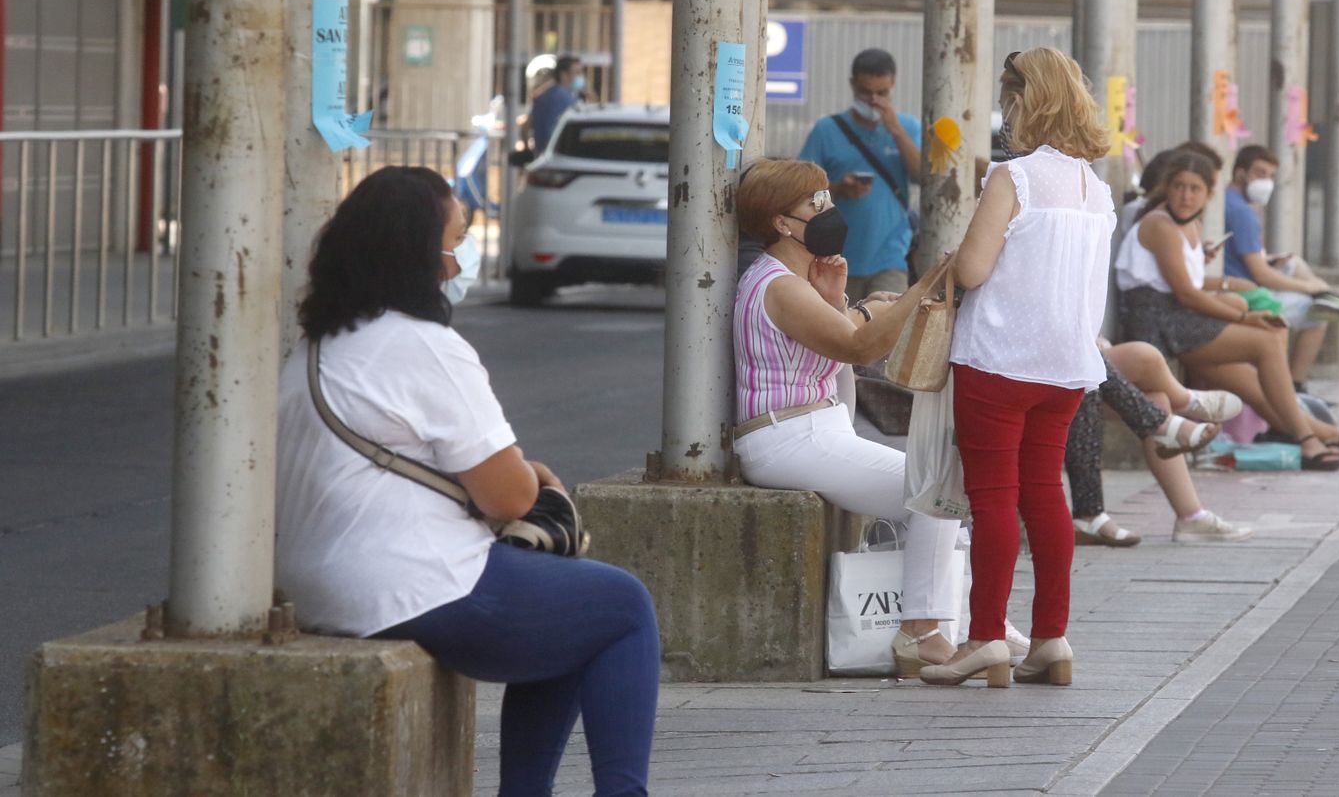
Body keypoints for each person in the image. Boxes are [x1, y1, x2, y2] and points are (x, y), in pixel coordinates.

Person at [275, 166, 659, 797]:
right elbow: (509, 497)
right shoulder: (423, 345)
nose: (462, 252)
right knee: (621, 606)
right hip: (404, 584)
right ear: (418, 251)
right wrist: (536, 476)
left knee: (568, 613)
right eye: (456, 235)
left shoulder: (315, 347)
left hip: (316, 585)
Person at [733, 159, 1015, 678]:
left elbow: (837, 352)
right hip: (788, 436)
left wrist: (840, 300)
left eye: (827, 197)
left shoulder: (797, 281)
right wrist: (924, 284)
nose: (830, 210)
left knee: (942, 497)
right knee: (933, 491)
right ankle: (922, 632)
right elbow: (860, 347)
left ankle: (983, 629)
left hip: (810, 430)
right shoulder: (778, 285)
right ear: (779, 222)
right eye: (815, 203)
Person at [927, 47, 1114, 689]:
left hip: (998, 360)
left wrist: (955, 256)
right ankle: (1051, 640)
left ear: (1019, 99)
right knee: (1044, 496)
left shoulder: (1016, 178)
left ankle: (984, 638)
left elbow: (975, 271)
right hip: (1065, 367)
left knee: (994, 500)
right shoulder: (1097, 189)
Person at [1116, 152, 1339, 470]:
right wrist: (1244, 317)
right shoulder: (1159, 223)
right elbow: (1186, 294)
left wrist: (1231, 286)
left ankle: (1330, 435)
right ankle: (1307, 439)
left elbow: (1192, 282)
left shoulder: (1189, 223)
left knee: (1254, 385)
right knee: (1267, 340)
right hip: (1158, 323)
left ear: (1208, 194)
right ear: (1167, 187)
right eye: (1178, 187)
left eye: (1194, 189)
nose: (1186, 196)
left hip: (1177, 319)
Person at [1067, 341, 1252, 547]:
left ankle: (1192, 516)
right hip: (1051, 359)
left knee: (1157, 397)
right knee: (1142, 356)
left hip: (1075, 355)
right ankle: (1184, 406)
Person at [1223, 144, 1339, 390]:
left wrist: (1274, 262)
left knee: (1292, 261)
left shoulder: (1228, 202)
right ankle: (1295, 385)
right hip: (1245, 291)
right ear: (1240, 173)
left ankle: (1326, 295)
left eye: (1271, 176)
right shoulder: (1242, 212)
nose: (1267, 182)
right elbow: (1261, 274)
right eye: (1260, 174)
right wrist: (1306, 287)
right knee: (1317, 316)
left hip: (1240, 279)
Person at [797, 48, 921, 301]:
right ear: (853, 85)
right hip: (834, 256)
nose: (874, 100)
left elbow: (923, 177)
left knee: (886, 331)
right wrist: (839, 190)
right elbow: (802, 196)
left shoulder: (908, 127)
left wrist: (895, 130)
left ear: (893, 85)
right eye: (866, 92)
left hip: (890, 257)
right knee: (838, 333)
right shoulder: (826, 131)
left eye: (882, 93)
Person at [530, 55, 586, 155]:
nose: (581, 76)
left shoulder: (547, 95)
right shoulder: (561, 98)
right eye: (577, 72)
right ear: (563, 75)